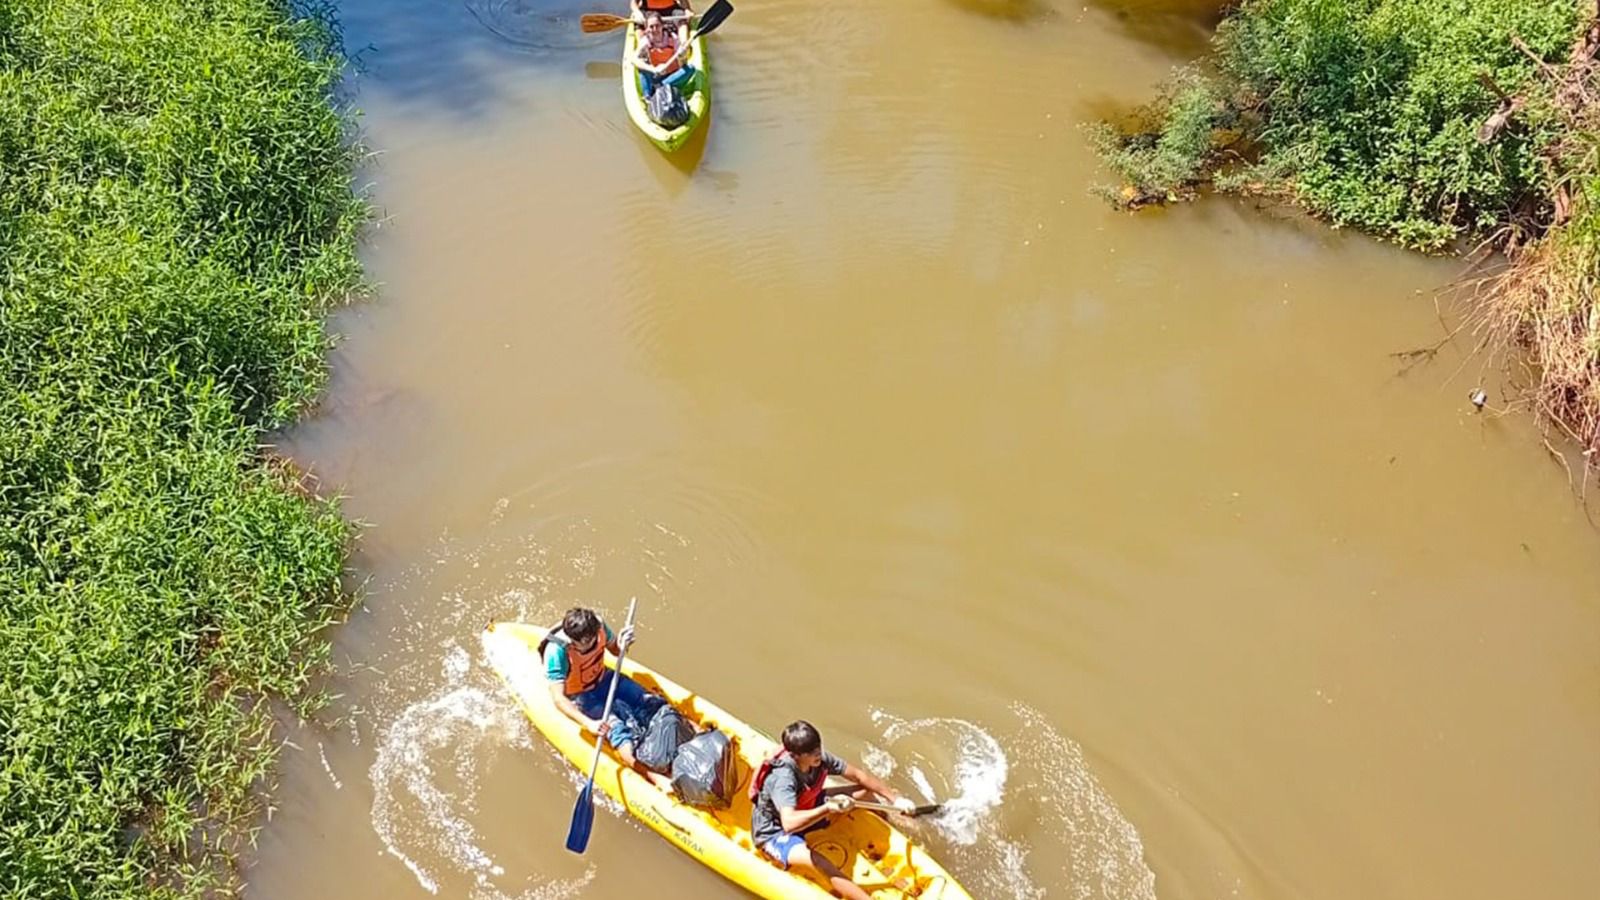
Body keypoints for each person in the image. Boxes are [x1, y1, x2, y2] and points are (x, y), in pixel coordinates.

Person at [749, 720, 920, 900]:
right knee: (821, 862)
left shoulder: (819, 759)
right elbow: (789, 823)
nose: (818, 754)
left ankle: (896, 825)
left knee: (866, 793)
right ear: (796, 755)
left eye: (818, 747)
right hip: (775, 832)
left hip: (808, 805)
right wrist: (827, 808)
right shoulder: (784, 778)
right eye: (811, 752)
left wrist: (896, 800)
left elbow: (859, 776)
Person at [541, 607, 670, 788]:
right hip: (583, 697)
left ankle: (697, 732)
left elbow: (615, 650)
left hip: (606, 678)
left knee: (652, 702)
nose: (592, 642)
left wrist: (622, 643)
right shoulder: (557, 652)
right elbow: (558, 698)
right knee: (618, 732)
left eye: (593, 637)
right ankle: (655, 778)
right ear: (573, 641)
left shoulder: (598, 625)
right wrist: (588, 723)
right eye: (586, 642)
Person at [633, 12, 696, 98]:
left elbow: (683, 61)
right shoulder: (645, 41)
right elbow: (634, 60)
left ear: (662, 26)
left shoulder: (673, 39)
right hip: (655, 75)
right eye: (651, 27)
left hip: (672, 76)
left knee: (690, 69)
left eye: (657, 26)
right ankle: (648, 96)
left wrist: (683, 54)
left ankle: (659, 88)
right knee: (642, 68)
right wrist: (653, 69)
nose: (655, 29)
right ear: (647, 28)